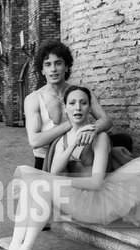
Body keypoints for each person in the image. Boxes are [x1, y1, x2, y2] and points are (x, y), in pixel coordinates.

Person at [0, 86, 140, 250]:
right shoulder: (63, 139)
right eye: (72, 103)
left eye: (83, 103)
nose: (78, 108)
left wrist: (61, 181)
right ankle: (17, 246)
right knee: (34, 182)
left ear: (89, 108)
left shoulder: (99, 137)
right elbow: (54, 172)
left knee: (38, 183)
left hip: (96, 201)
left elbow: (96, 183)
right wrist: (73, 142)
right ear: (65, 108)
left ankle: (26, 249)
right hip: (76, 197)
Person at [25, 40, 114, 170]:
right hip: (48, 161)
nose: (53, 69)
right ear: (42, 70)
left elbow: (106, 120)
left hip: (82, 159)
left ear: (66, 67)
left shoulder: (82, 92)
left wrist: (93, 129)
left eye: (58, 63)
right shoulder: (34, 99)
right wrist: (71, 124)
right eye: (48, 64)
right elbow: (34, 141)